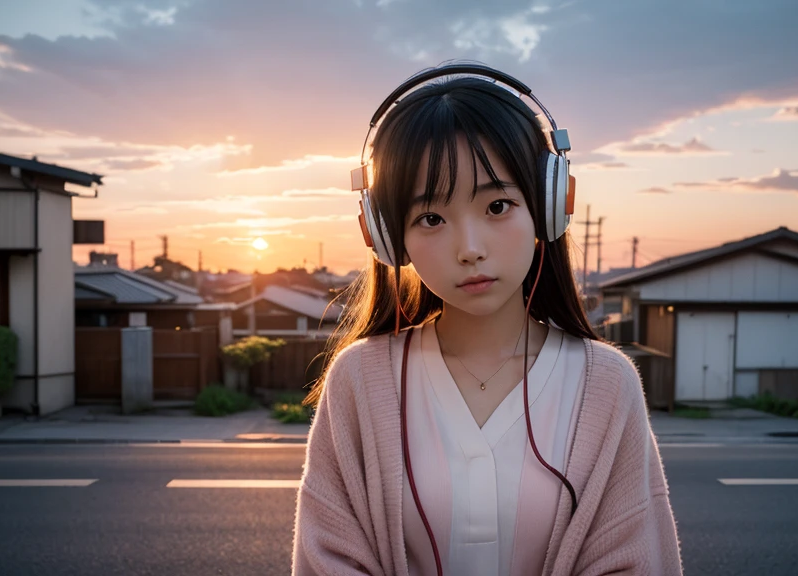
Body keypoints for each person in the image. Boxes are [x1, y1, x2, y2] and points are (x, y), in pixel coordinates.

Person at [292, 62, 683, 576]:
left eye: (497, 205)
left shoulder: (605, 385)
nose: (470, 249)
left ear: (548, 208)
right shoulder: (361, 382)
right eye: (430, 219)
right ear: (387, 237)